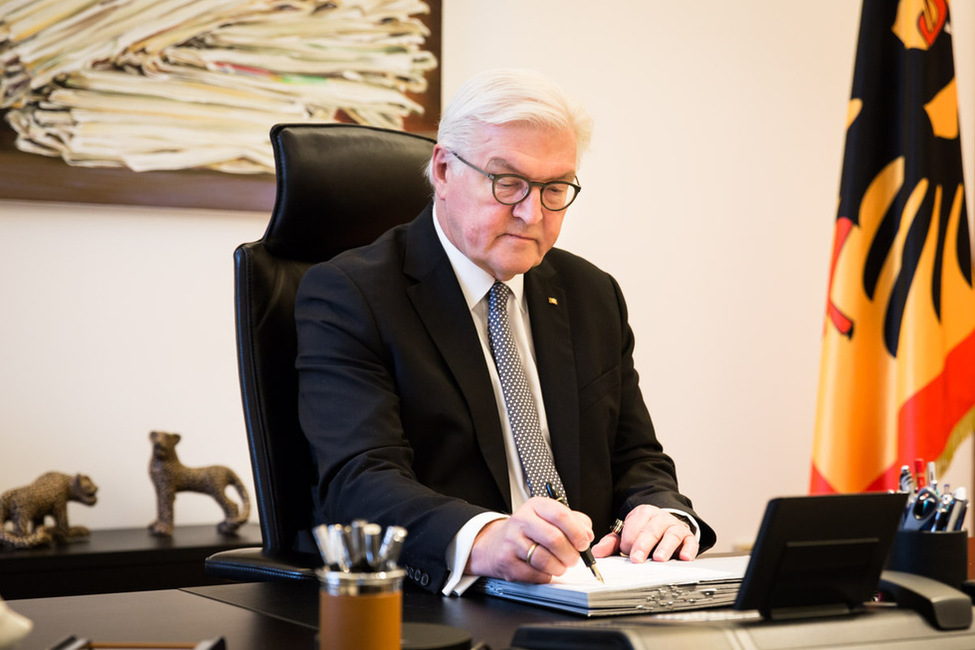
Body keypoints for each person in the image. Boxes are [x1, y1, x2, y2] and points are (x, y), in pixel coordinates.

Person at [295, 68, 716, 595]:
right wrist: (487, 538)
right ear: (444, 169)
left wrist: (658, 511)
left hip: (595, 593)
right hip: (441, 604)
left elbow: (635, 457)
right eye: (508, 182)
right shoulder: (350, 294)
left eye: (555, 188)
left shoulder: (591, 293)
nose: (531, 212)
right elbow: (358, 481)